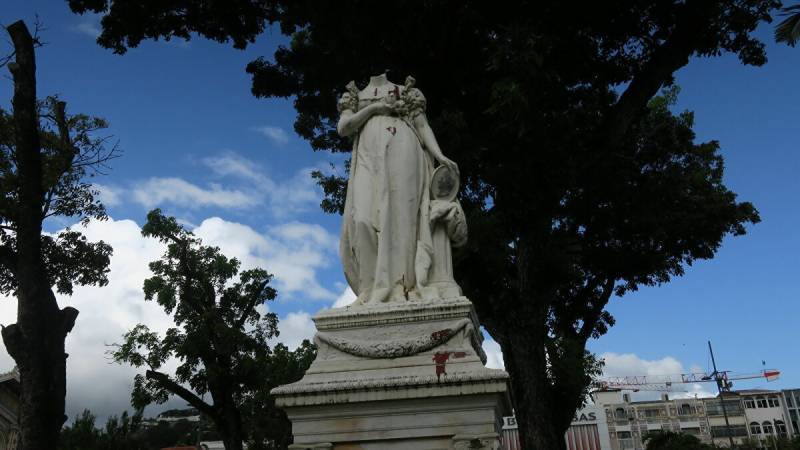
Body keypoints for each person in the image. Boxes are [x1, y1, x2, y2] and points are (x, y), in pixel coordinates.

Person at [337, 73, 459, 305]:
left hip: (403, 149)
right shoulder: (355, 95)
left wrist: (439, 155)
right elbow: (344, 128)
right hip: (368, 155)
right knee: (362, 219)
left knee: (401, 218)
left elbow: (422, 125)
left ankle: (401, 287)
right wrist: (374, 110)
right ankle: (371, 288)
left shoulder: (407, 91)